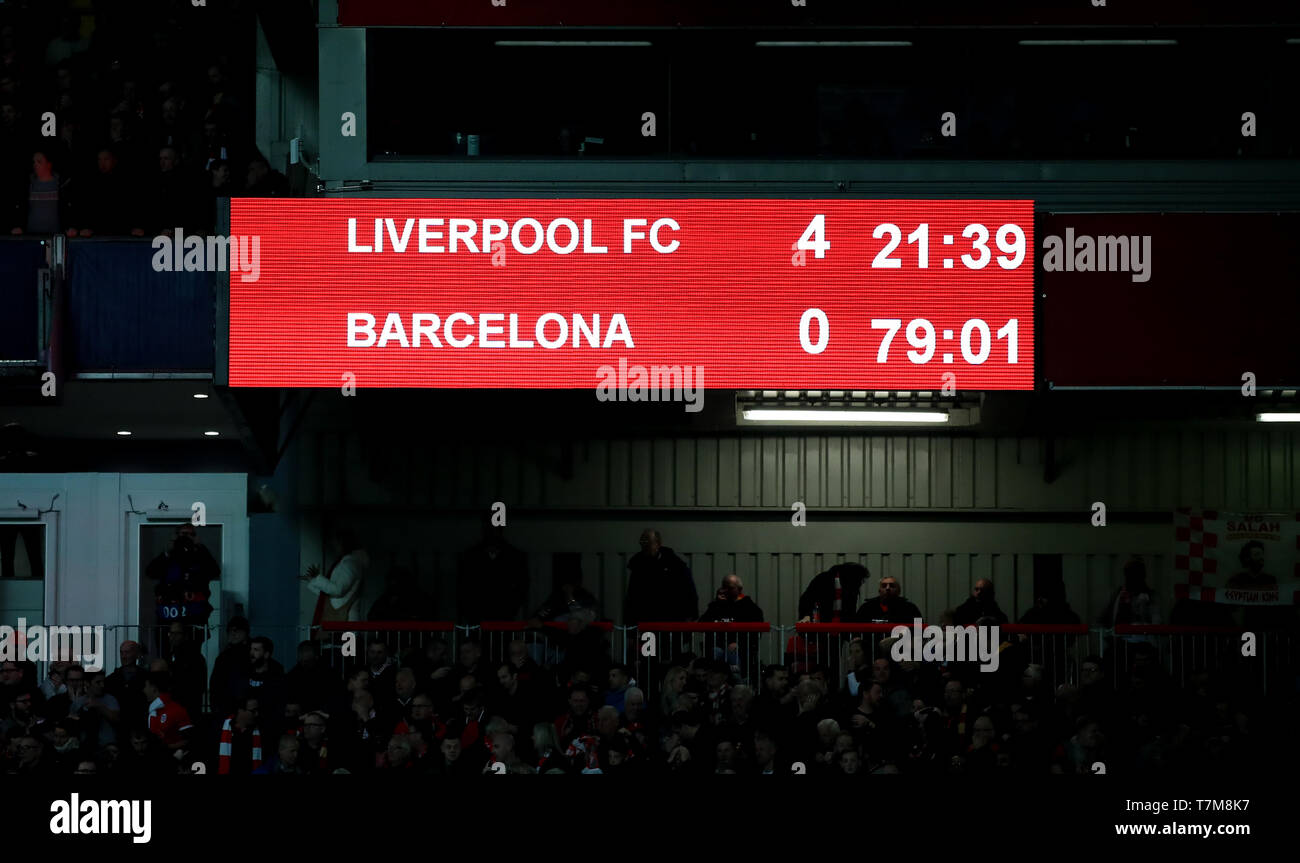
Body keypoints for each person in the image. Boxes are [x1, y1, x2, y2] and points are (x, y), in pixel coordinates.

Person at [145, 523, 220, 633]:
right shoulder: (169, 557)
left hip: (194, 616)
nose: (187, 537)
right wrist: (167, 551)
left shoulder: (200, 556)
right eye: (184, 534)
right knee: (165, 647)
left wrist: (200, 547)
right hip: (168, 615)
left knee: (191, 648)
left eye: (191, 534)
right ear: (176, 536)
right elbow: (150, 572)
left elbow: (215, 572)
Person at [456, 520, 529, 623]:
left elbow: (522, 587)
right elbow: (463, 587)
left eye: (495, 530)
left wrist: (510, 609)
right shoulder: (471, 556)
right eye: (489, 530)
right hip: (480, 617)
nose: (492, 533)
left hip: (503, 616)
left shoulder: (515, 556)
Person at [624, 529, 698, 626]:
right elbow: (632, 597)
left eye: (647, 542)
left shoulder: (674, 563)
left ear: (658, 544)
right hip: (647, 621)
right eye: (642, 542)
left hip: (671, 620)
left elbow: (689, 590)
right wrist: (631, 628)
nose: (644, 545)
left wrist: (689, 616)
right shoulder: (638, 566)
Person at [302, 527, 370, 626]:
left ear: (343, 542)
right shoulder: (349, 562)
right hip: (342, 620)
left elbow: (338, 590)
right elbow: (333, 594)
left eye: (336, 542)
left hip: (344, 621)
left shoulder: (350, 564)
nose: (333, 545)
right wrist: (314, 581)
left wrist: (318, 579)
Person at [209, 617, 251, 719]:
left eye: (236, 630)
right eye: (231, 631)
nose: (233, 633)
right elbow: (215, 684)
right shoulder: (223, 657)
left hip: (245, 707)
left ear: (245, 633)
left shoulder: (252, 654)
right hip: (226, 707)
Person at [857, 576, 923, 625]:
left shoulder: (910, 608)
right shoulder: (867, 607)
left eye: (892, 586)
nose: (888, 588)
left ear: (898, 591)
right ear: (879, 590)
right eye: (884, 586)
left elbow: (919, 630)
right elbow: (856, 630)